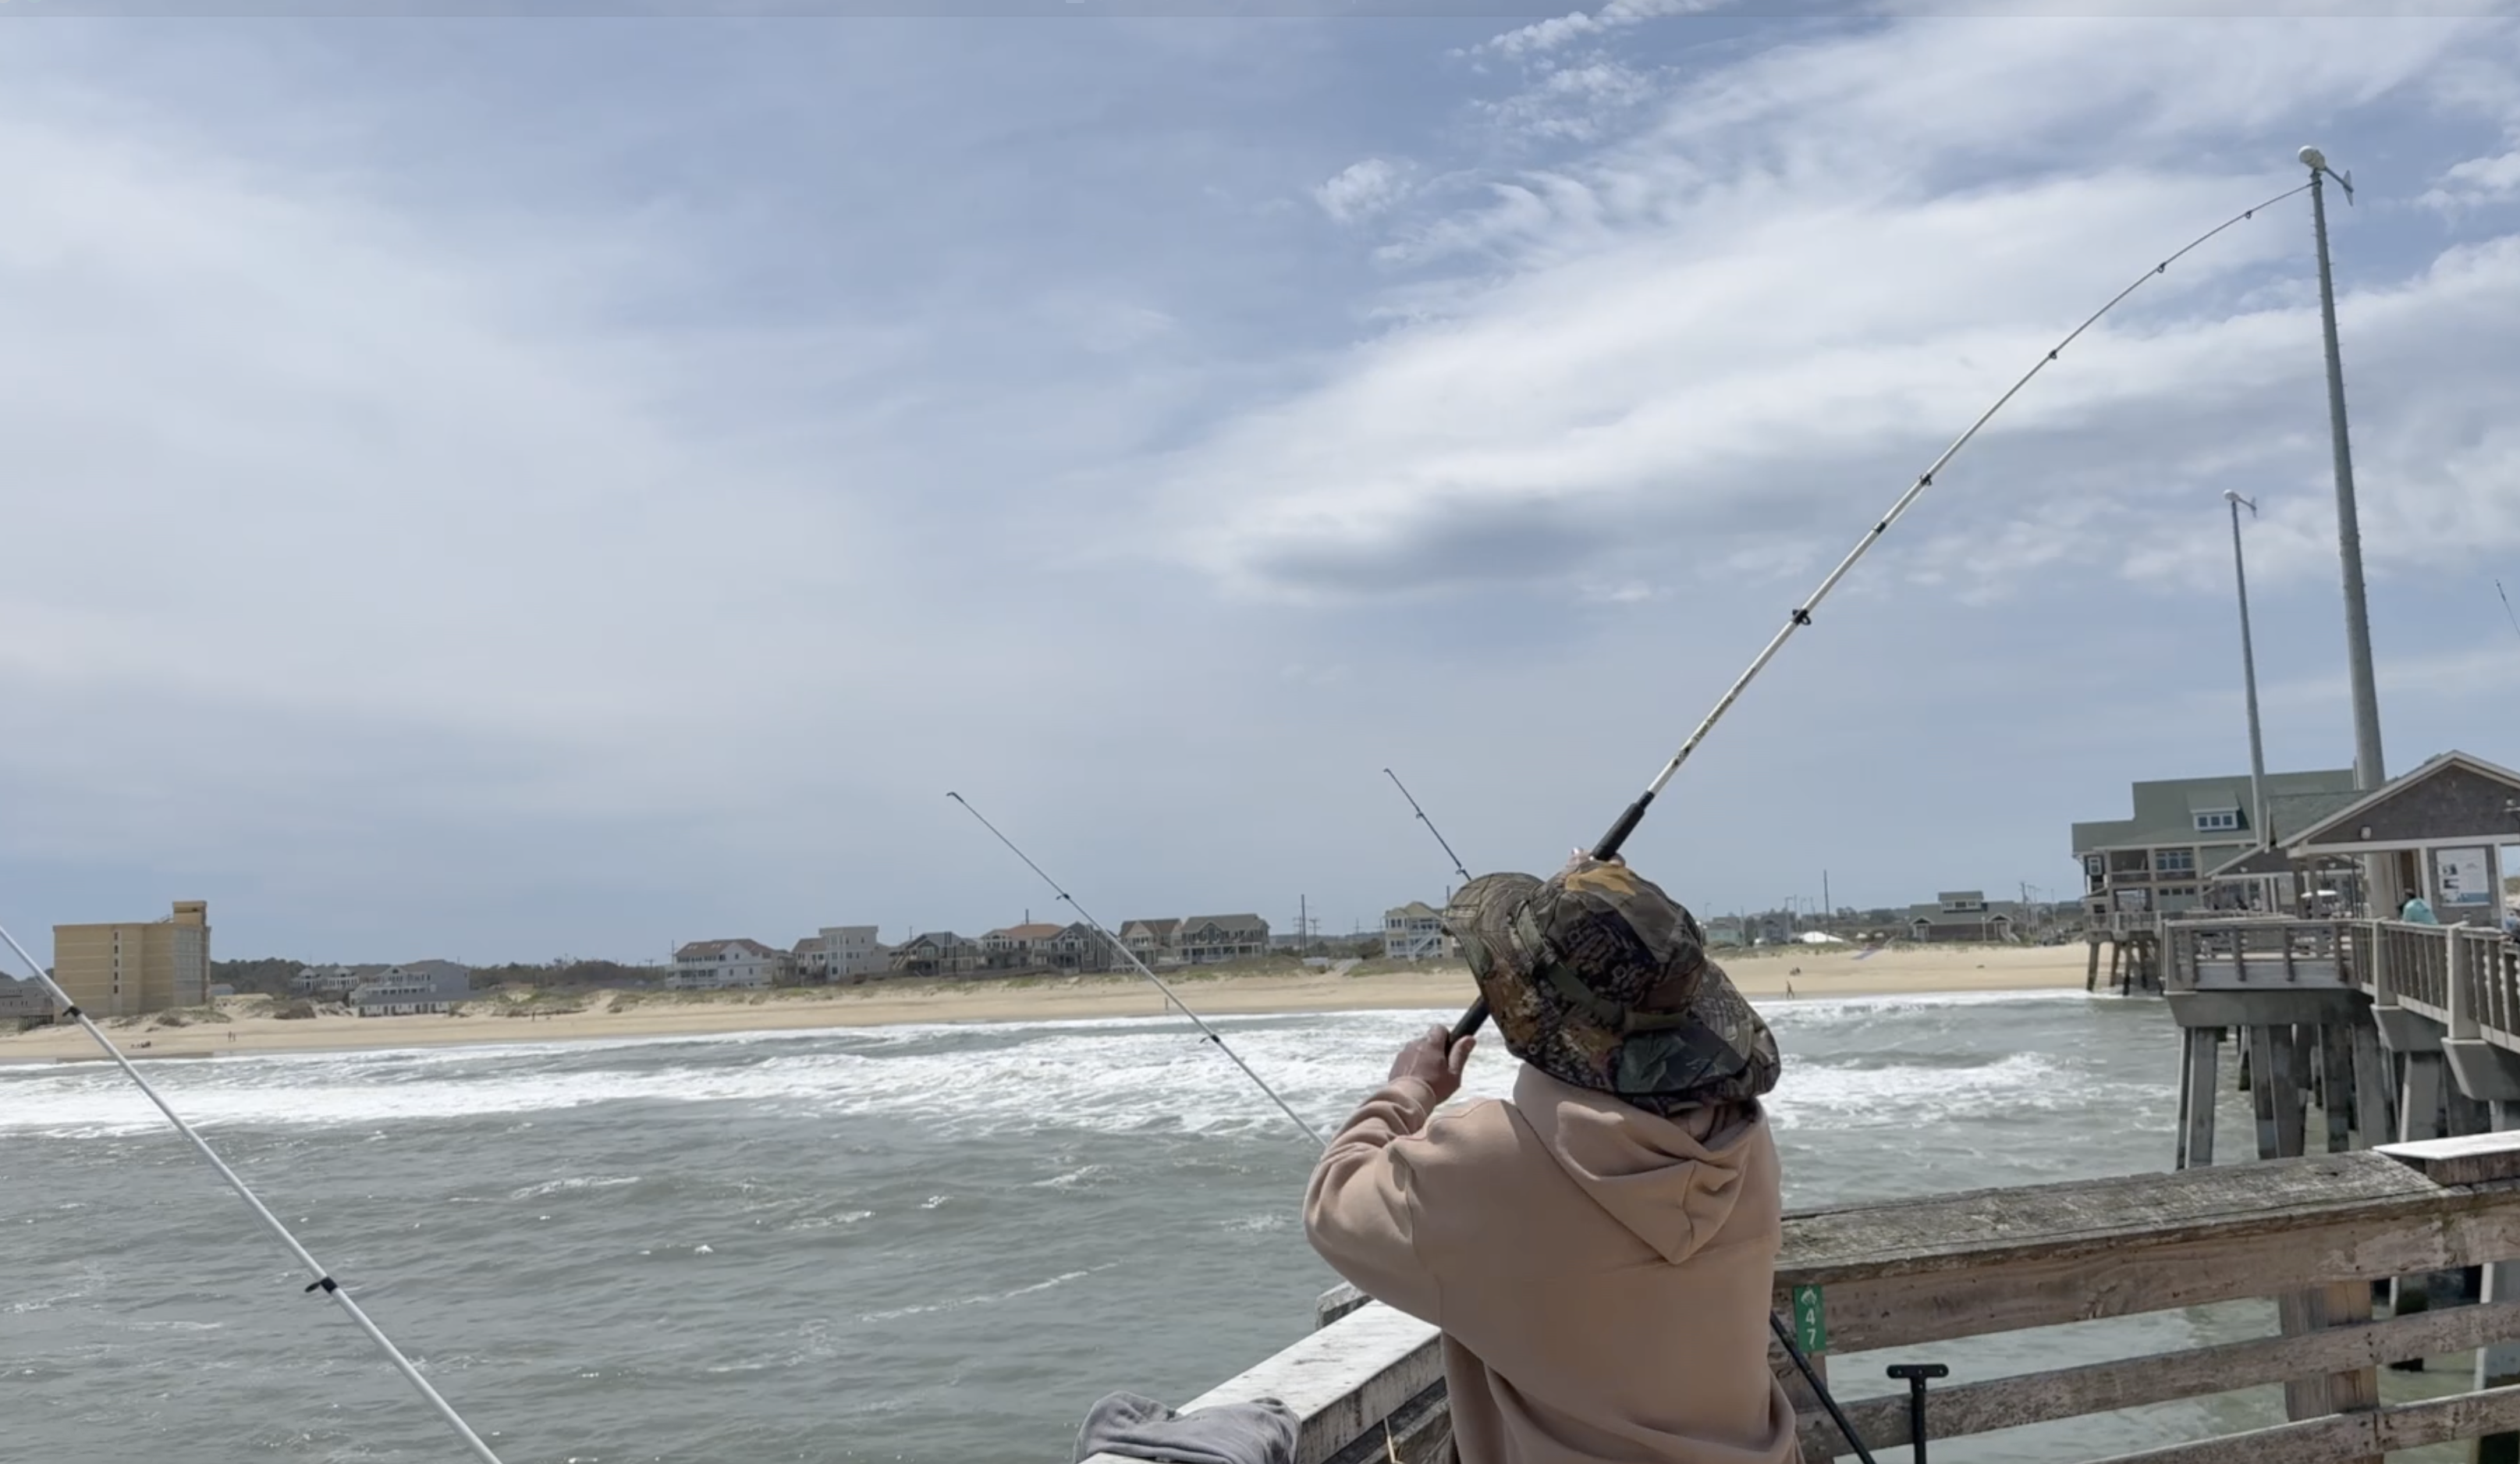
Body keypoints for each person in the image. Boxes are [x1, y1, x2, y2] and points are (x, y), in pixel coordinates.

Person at [1303, 855, 1798, 1464]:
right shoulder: (1744, 1143)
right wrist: (1609, 912)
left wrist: (1408, 1090)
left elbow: (1333, 1203)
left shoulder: (1485, 1162)